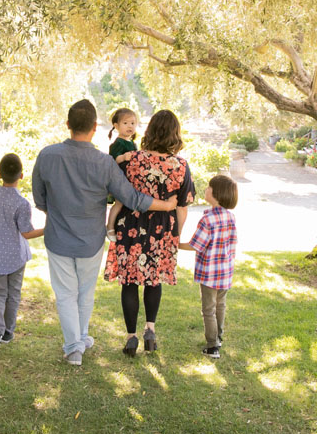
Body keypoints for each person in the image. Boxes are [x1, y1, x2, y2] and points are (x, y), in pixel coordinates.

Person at [32, 99, 177, 366]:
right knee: (85, 291)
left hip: (58, 238)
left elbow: (40, 200)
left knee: (65, 293)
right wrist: (166, 205)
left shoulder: (47, 155)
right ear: (95, 127)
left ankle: (76, 344)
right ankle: (77, 342)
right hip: (91, 240)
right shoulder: (103, 162)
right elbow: (132, 198)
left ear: (68, 125)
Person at [104, 110, 195, 357]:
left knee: (130, 282)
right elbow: (182, 207)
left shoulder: (131, 160)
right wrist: (175, 236)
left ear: (151, 131)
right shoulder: (181, 166)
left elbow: (119, 194)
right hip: (162, 231)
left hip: (130, 228)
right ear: (175, 134)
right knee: (153, 281)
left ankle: (131, 336)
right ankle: (150, 329)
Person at [0, 153, 44, 351]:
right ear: (21, 176)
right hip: (16, 257)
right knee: (13, 294)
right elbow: (27, 233)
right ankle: (8, 332)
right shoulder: (21, 203)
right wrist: (48, 229)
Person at [179, 175, 239, 359]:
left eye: (208, 187)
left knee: (208, 309)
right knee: (220, 306)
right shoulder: (230, 217)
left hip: (209, 274)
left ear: (216, 193)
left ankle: (212, 346)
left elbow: (196, 245)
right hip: (225, 272)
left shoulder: (208, 219)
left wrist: (176, 244)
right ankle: (218, 337)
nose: (205, 189)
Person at [105, 107, 139, 239]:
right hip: (120, 178)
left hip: (131, 179)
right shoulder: (118, 143)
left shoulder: (132, 143)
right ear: (116, 126)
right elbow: (114, 159)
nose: (129, 126)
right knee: (119, 203)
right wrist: (124, 157)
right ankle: (110, 227)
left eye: (132, 123)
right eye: (125, 123)